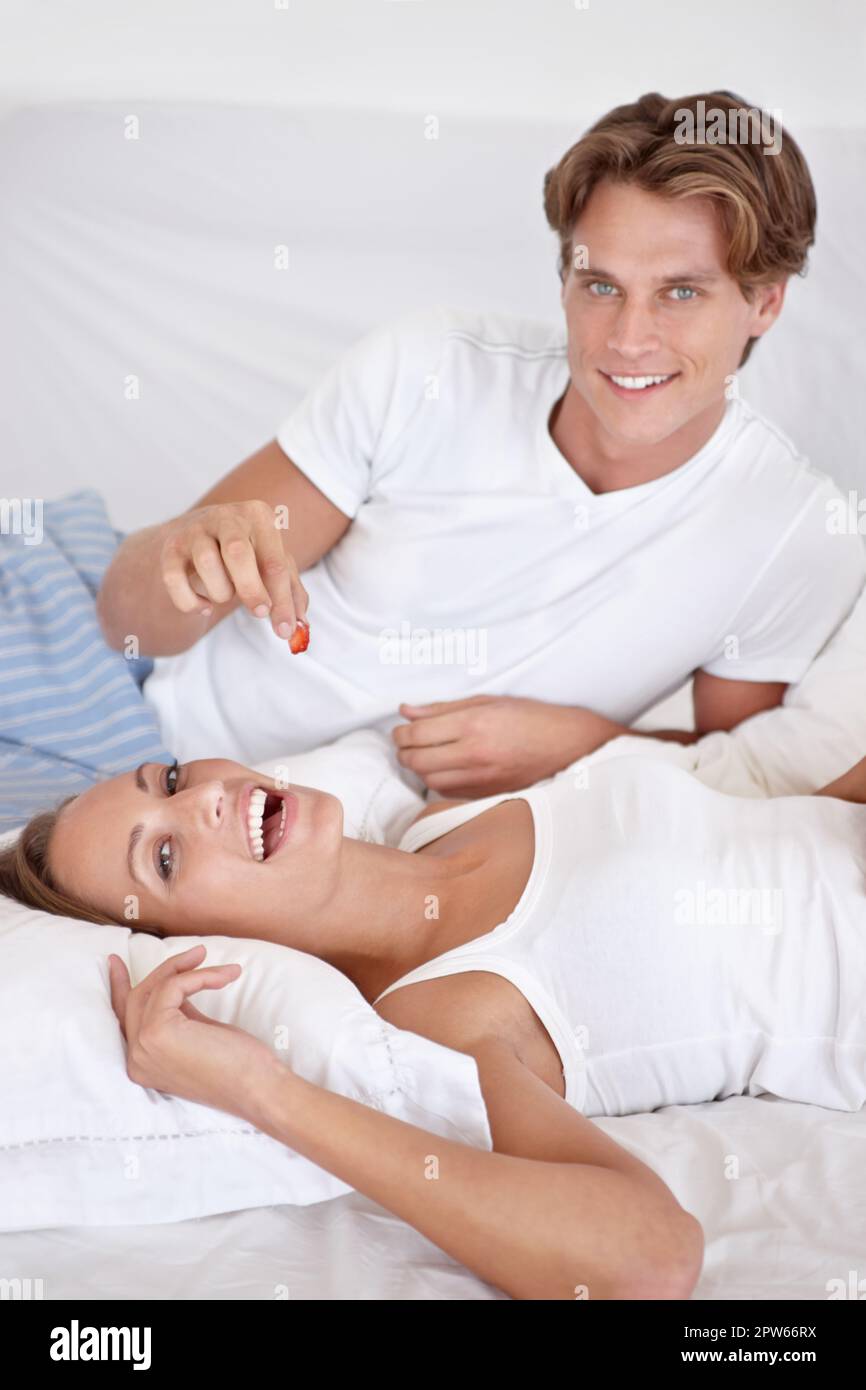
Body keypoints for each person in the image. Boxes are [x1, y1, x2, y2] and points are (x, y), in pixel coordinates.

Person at [96, 90, 864, 793]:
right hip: (136, 728)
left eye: (681, 292)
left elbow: (720, 788)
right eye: (600, 286)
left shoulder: (794, 533)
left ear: (765, 302)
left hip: (307, 843)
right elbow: (126, 618)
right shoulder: (429, 369)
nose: (629, 339)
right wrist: (185, 558)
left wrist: (587, 746)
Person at [3, 742, 866, 1299]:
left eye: (171, 779)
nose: (202, 804)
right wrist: (263, 1092)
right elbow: (652, 1262)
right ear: (191, 941)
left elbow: (770, 830)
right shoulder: (450, 1018)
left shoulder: (441, 818)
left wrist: (571, 727)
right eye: (164, 856)